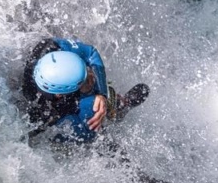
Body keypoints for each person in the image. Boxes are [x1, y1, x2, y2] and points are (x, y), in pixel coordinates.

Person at [20, 37, 149, 143]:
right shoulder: (45, 111)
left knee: (97, 97)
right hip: (58, 117)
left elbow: (91, 53)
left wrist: (101, 93)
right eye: (84, 81)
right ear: (61, 94)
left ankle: (112, 102)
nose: (91, 76)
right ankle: (118, 107)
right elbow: (96, 139)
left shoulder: (52, 48)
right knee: (94, 110)